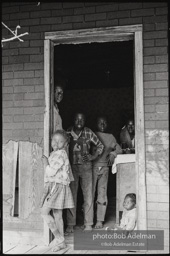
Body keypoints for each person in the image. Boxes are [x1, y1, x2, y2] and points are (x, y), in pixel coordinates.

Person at [65, 112, 104, 233]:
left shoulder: (88, 132)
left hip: (86, 167)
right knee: (71, 196)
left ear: (85, 121)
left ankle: (88, 223)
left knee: (88, 195)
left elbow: (100, 145)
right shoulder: (67, 132)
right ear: (73, 120)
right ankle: (70, 224)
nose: (79, 122)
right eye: (77, 119)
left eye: (82, 119)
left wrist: (93, 156)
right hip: (71, 167)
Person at [40, 130, 74, 252]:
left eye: (60, 141)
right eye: (54, 140)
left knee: (44, 212)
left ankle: (59, 238)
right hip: (57, 185)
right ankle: (62, 242)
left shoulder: (60, 153)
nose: (56, 143)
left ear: (65, 144)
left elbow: (51, 171)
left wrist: (45, 163)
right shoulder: (55, 153)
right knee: (57, 215)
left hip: (57, 186)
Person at [92, 116, 122, 229]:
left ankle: (99, 220)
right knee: (90, 195)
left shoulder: (110, 137)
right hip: (92, 168)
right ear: (96, 124)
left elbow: (119, 149)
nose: (103, 124)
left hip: (104, 168)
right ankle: (88, 221)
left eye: (105, 122)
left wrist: (113, 154)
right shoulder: (92, 134)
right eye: (100, 123)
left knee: (102, 194)